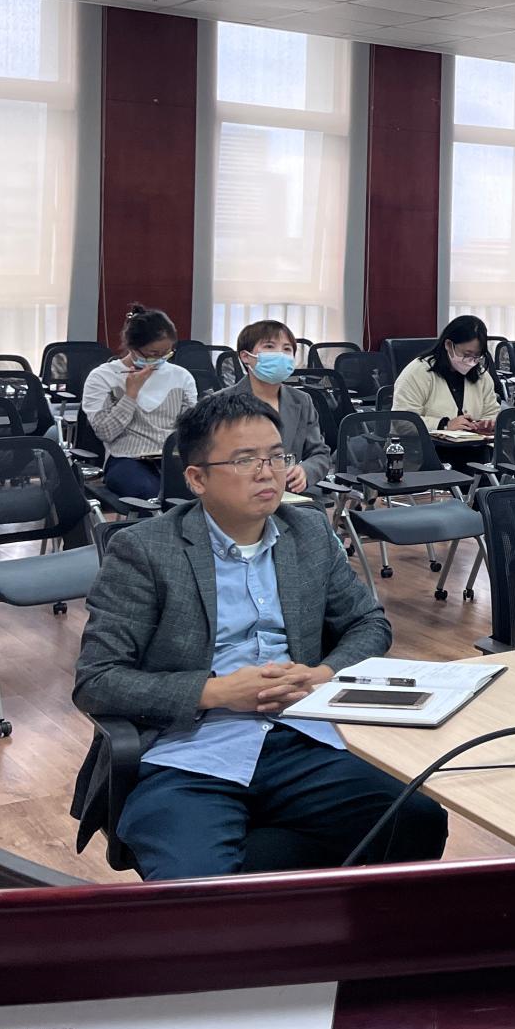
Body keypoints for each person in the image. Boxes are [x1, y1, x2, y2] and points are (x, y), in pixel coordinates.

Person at [70, 393, 449, 878]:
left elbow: (368, 623)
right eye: (245, 460)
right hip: (190, 752)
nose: (267, 473)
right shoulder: (145, 550)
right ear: (197, 478)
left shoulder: (308, 532)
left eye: (276, 457)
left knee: (416, 819)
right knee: (197, 883)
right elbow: (98, 681)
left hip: (302, 739)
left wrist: (321, 673)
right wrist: (217, 692)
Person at [80, 303, 198, 500]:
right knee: (150, 493)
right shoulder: (102, 377)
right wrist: (130, 395)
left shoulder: (181, 376)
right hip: (126, 459)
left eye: (167, 353)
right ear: (133, 348)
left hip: (172, 458)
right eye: (153, 354)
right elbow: (105, 432)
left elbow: (190, 428)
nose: (160, 359)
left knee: (202, 488)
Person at [218, 319, 332, 493]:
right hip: (236, 493)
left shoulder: (302, 401)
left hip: (286, 494)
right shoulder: (221, 402)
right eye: (269, 347)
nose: (280, 354)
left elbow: (320, 453)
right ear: (245, 356)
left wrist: (305, 471)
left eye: (287, 349)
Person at [391, 315, 501, 434]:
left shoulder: (481, 376)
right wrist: (443, 425)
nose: (471, 361)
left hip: (473, 444)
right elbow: (403, 420)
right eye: (466, 354)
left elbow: (492, 412)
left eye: (476, 356)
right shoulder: (418, 371)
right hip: (422, 444)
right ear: (449, 345)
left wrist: (486, 424)